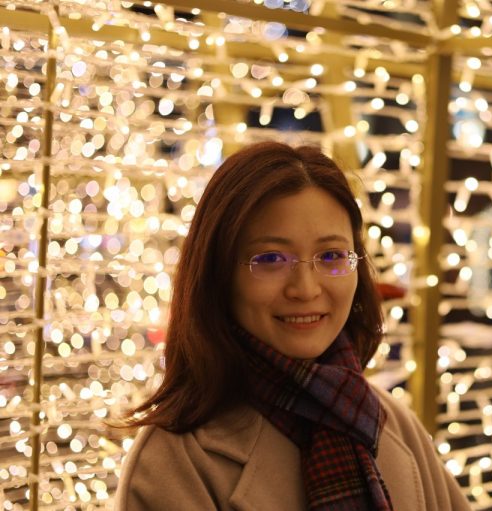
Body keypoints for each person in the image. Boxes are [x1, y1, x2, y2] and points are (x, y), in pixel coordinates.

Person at [115, 141, 472, 510]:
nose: (305, 288)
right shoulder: (176, 461)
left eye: (331, 256)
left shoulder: (391, 423)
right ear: (219, 275)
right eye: (270, 259)